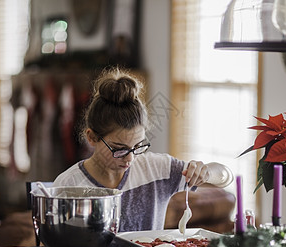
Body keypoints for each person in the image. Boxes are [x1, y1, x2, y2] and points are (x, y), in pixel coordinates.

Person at [52, 67, 233, 232]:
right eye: (119, 149)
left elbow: (225, 176)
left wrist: (205, 171)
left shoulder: (156, 168)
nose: (130, 159)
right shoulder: (69, 185)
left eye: (138, 147)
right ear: (92, 137)